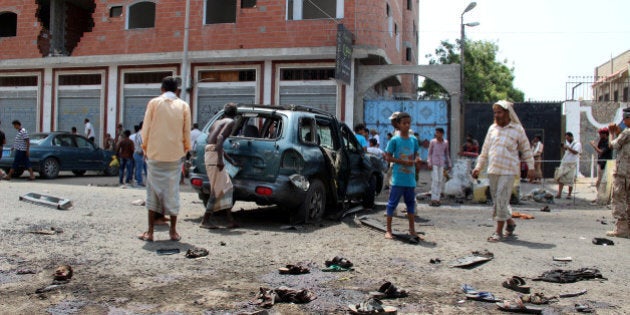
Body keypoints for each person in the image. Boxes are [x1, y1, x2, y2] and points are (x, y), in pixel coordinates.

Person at [138, 76, 191, 242]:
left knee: (152, 192)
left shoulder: (154, 103)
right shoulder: (183, 106)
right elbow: (186, 132)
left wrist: (145, 147)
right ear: (176, 90)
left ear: (162, 89)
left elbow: (145, 128)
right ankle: (173, 231)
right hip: (175, 156)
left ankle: (150, 232)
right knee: (173, 191)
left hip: (155, 154)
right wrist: (185, 149)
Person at [472, 100, 534, 243]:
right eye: (495, 113)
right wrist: (478, 167)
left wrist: (531, 167)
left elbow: (526, 149)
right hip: (493, 169)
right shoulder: (492, 129)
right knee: (498, 200)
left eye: (500, 112)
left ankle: (498, 232)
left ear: (507, 113)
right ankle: (510, 222)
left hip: (509, 170)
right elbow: (485, 150)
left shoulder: (517, 129)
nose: (497, 115)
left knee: (501, 198)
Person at [384, 112, 422, 240]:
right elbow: (387, 157)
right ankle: (388, 230)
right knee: (392, 204)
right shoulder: (394, 140)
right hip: (397, 179)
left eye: (408, 123)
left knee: (410, 205)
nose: (406, 125)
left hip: (410, 179)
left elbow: (417, 153)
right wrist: (402, 162)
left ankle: (412, 230)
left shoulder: (413, 140)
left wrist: (417, 160)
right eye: (404, 123)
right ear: (398, 125)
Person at [200, 103, 239, 229]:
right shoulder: (231, 122)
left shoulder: (217, 122)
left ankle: (230, 220)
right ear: (235, 114)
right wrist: (220, 160)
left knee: (226, 187)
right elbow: (220, 138)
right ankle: (205, 220)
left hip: (210, 153)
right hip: (214, 156)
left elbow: (210, 141)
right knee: (217, 189)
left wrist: (229, 160)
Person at [605, 108, 630, 238]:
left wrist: (611, 133)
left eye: (625, 118)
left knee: (619, 199)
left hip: (623, 173)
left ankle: (621, 229)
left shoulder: (627, 132)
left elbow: (613, 145)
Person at [427, 127, 451, 207]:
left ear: (442, 134)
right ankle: (433, 198)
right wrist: (429, 163)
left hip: (441, 163)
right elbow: (429, 153)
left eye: (438, 133)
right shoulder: (432, 142)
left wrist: (449, 164)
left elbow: (446, 154)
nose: (436, 134)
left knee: (440, 181)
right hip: (434, 163)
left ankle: (438, 199)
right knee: (435, 180)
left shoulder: (445, 142)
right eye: (436, 133)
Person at [555, 132, 582, 199]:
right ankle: (559, 193)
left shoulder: (577, 144)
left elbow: (575, 152)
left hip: (571, 165)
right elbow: (568, 152)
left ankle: (569, 194)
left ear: (571, 137)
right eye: (566, 138)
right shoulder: (569, 144)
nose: (567, 140)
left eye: (568, 138)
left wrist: (568, 147)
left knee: (570, 180)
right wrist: (565, 148)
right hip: (565, 164)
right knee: (561, 178)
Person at [133, 122, 146, 187]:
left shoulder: (139, 133)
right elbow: (142, 144)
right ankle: (139, 182)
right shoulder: (141, 134)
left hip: (140, 154)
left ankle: (141, 181)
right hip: (139, 154)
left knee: (142, 168)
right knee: (139, 169)